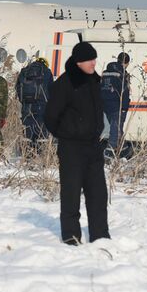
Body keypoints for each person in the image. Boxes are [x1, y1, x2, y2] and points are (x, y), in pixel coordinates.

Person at [45, 42, 110, 245]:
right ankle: (71, 237)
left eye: (94, 58)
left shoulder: (93, 82)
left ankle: (100, 236)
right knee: (71, 194)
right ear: (79, 62)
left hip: (93, 146)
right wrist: (67, 133)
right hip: (71, 147)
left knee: (98, 194)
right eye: (90, 59)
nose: (94, 63)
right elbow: (50, 116)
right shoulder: (64, 84)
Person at [15, 57, 53, 152]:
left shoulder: (24, 72)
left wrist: (24, 101)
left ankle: (27, 153)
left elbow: (18, 88)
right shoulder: (46, 72)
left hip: (26, 106)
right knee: (41, 129)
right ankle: (39, 154)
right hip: (41, 106)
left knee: (28, 128)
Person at [100, 52, 131, 156]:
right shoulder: (123, 74)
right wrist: (124, 108)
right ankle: (108, 155)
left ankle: (125, 151)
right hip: (117, 106)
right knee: (115, 132)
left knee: (117, 129)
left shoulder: (105, 72)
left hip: (105, 105)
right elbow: (125, 92)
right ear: (126, 63)